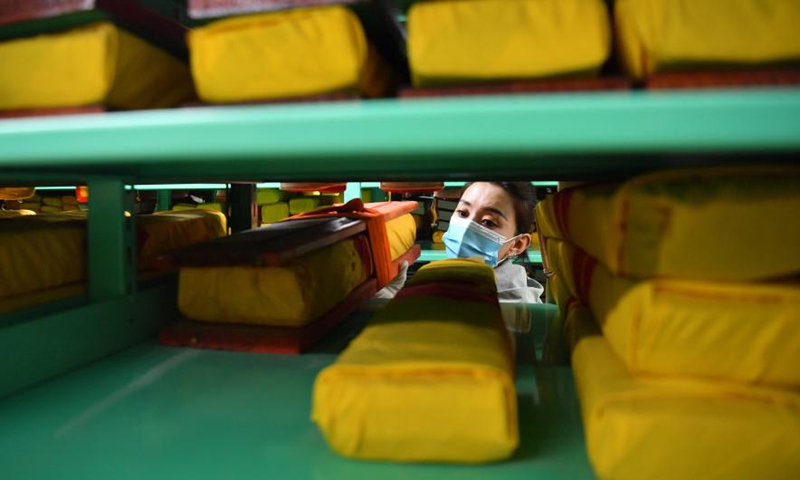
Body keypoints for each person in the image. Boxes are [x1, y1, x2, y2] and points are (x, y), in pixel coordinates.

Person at [442, 182, 543, 303]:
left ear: (517, 244)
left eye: (488, 222)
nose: (466, 229)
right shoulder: (454, 284)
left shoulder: (509, 310)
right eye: (463, 213)